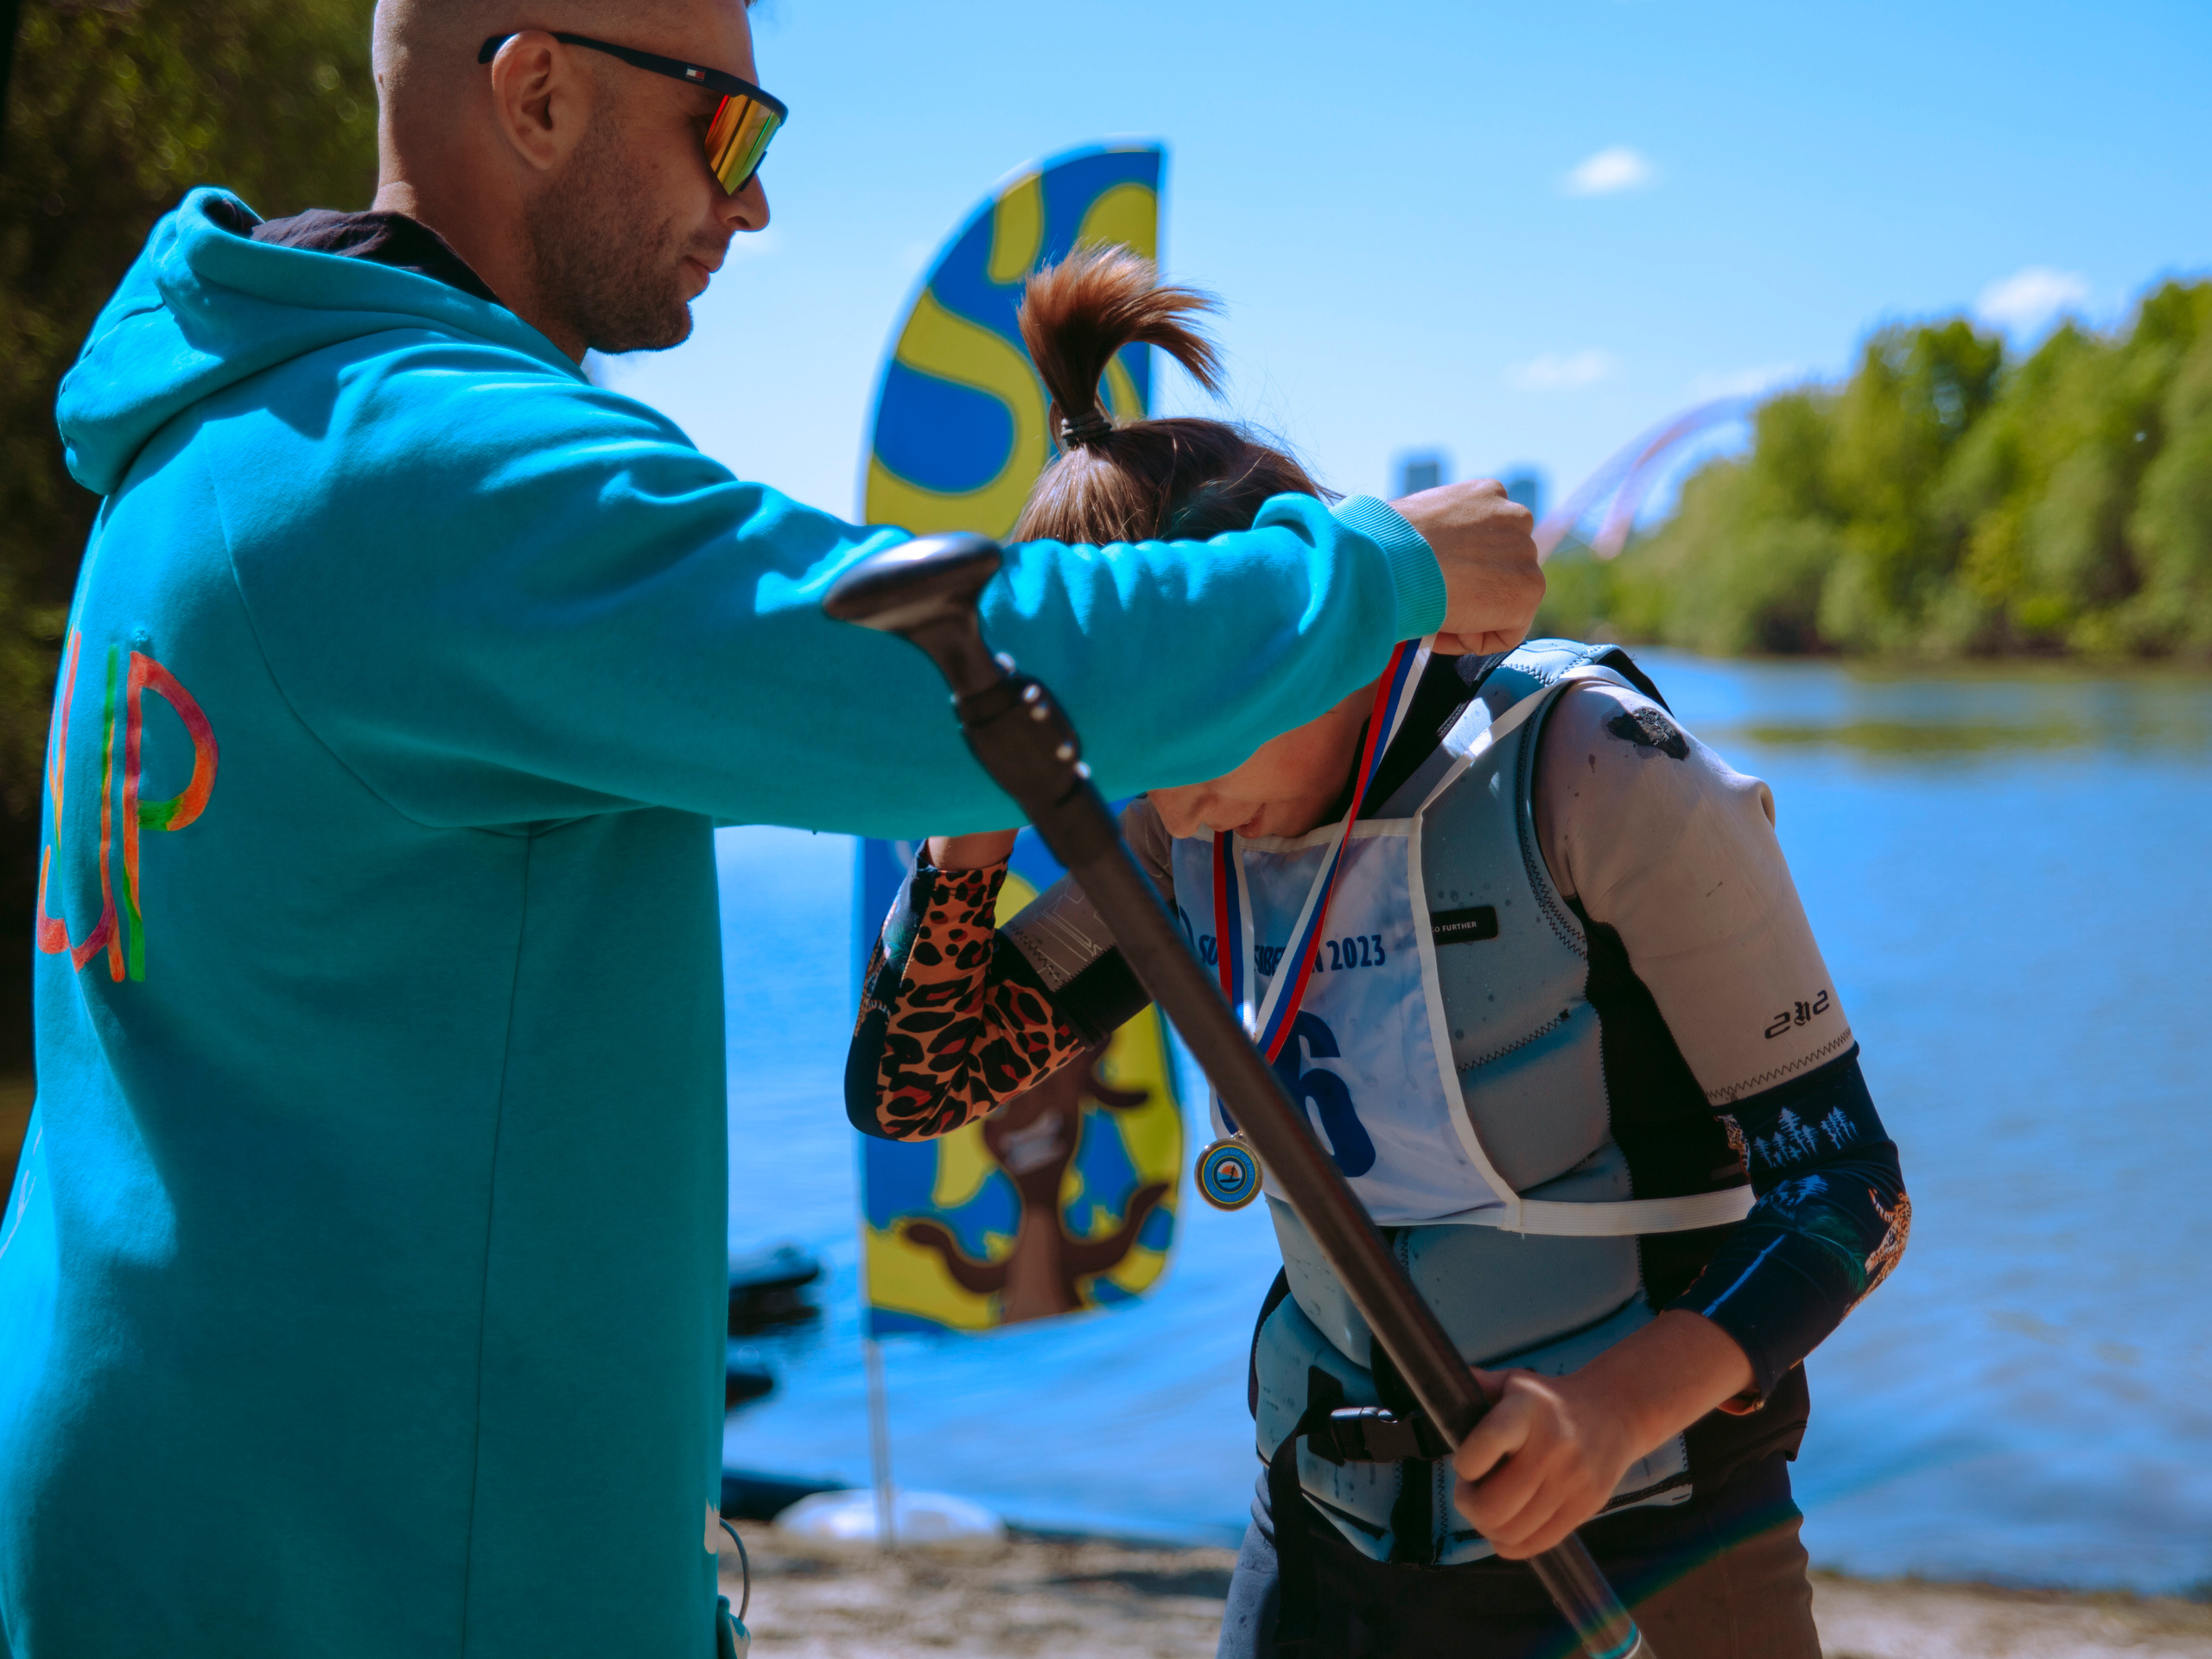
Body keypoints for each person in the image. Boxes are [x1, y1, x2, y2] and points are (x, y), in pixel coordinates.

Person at [0, 1, 1548, 1655]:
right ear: (534, 95)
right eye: (730, 130)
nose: (754, 208)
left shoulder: (213, 438)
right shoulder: (423, 469)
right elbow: (935, 669)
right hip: (371, 1559)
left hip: (170, 1491)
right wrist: (1380, 570)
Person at [847, 248, 1911, 1658]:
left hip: (1649, 1535)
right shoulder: (1177, 842)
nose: (1165, 792)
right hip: (1322, 1528)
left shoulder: (1588, 766)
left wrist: (1613, 1411)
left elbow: (1850, 1193)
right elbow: (917, 1088)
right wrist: (978, 804)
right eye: (1128, 747)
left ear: (1306, 637)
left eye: (1198, 722)